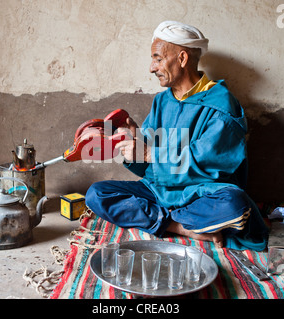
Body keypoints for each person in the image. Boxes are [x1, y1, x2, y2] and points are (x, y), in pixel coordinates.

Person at [85, 21, 268, 250]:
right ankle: (179, 225)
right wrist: (136, 147)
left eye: (158, 59)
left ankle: (164, 217)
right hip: (159, 191)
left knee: (235, 205)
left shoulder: (222, 105)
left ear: (182, 59)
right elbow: (148, 169)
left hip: (201, 195)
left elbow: (208, 162)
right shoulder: (162, 101)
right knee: (97, 194)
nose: (152, 68)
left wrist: (150, 153)